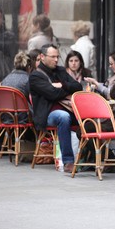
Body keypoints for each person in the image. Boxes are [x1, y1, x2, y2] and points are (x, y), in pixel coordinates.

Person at [29, 44, 82, 173]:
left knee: (88, 117)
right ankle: (68, 161)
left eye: (57, 56)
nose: (56, 60)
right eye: (52, 57)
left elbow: (78, 86)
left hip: (68, 109)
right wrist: (65, 89)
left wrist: (61, 85)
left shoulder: (61, 71)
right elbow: (52, 94)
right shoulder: (36, 76)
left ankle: (88, 158)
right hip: (47, 114)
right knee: (63, 117)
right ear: (42, 57)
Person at [0, 52, 33, 124]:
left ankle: (8, 134)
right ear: (29, 67)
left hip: (4, 116)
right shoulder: (28, 80)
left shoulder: (5, 80)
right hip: (23, 117)